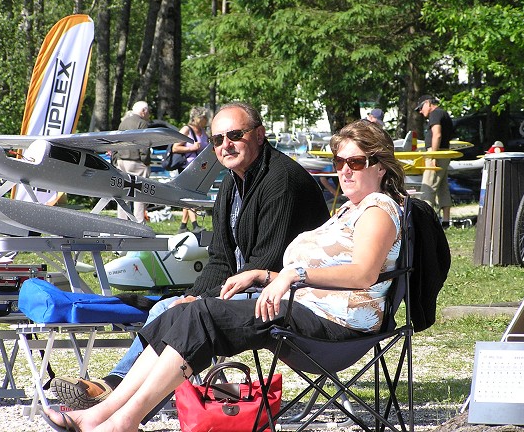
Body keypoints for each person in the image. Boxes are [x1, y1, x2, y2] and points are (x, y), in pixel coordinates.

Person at [41, 119, 406, 432]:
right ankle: (104, 413)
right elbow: (226, 255)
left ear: (381, 166)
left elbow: (363, 273)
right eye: (339, 160)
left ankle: (122, 422)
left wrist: (291, 275)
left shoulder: (379, 208)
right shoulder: (350, 209)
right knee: (182, 311)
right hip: (303, 310)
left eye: (355, 161)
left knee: (200, 315)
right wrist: (263, 275)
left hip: (332, 325)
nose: (344, 170)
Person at [50, 102, 330, 410]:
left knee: (182, 314)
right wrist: (194, 295)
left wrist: (202, 301)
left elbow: (265, 262)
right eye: (217, 139)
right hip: (248, 289)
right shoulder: (232, 184)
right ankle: (115, 391)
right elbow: (221, 258)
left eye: (235, 135)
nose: (226, 145)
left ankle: (116, 399)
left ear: (260, 135)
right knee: (169, 307)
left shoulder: (281, 180)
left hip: (288, 296)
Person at [416, 94, 453, 229]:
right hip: (443, 152)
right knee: (442, 186)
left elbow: (437, 134)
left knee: (428, 186)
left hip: (436, 152)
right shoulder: (444, 113)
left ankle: (424, 221)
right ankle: (446, 221)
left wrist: (433, 156)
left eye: (421, 107)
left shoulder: (435, 114)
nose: (420, 111)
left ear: (428, 103)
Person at [171, 106, 211, 233]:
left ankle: (183, 226)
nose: (207, 120)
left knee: (189, 195)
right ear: (198, 118)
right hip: (187, 168)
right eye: (205, 117)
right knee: (189, 196)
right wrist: (192, 148)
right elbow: (175, 148)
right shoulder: (186, 130)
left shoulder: (203, 131)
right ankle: (195, 225)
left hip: (200, 168)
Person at [115, 101, 152, 222]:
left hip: (121, 161)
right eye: (148, 111)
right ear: (144, 111)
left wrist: (115, 159)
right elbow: (144, 145)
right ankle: (139, 222)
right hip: (136, 162)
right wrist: (145, 162)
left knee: (122, 193)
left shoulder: (123, 122)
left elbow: (116, 141)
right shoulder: (142, 123)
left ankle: (122, 221)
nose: (149, 114)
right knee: (139, 194)